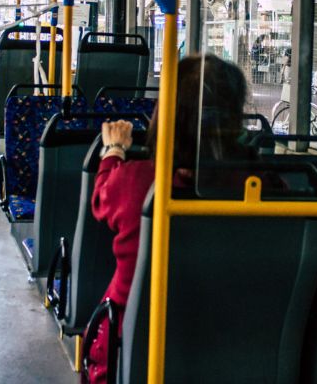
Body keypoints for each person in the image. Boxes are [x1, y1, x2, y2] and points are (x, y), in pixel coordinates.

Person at [85, 54, 247, 383]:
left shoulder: (137, 182)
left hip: (134, 339)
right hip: (234, 340)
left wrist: (113, 150)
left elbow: (101, 200)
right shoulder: (262, 186)